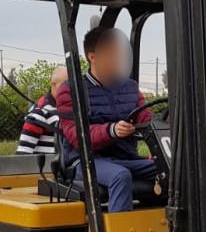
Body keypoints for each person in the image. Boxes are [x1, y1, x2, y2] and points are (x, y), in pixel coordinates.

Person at [57, 27, 157, 213]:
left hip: (125, 158)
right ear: (92, 57)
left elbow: (145, 118)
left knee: (173, 168)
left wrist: (167, 123)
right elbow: (77, 136)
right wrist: (111, 130)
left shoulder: (130, 88)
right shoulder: (72, 90)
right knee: (120, 176)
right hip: (86, 161)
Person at [15, 66, 68, 155]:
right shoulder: (40, 111)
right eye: (65, 85)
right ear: (53, 84)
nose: (69, 89)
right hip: (47, 167)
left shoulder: (69, 107)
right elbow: (23, 152)